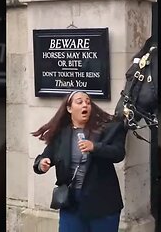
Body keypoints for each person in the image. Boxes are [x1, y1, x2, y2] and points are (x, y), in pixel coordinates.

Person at [32, 90, 127, 232]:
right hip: (71, 203)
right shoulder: (61, 135)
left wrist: (95, 147)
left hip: (102, 203)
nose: (85, 105)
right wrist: (42, 164)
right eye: (80, 102)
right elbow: (44, 157)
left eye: (88, 103)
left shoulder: (105, 130)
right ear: (69, 108)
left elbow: (118, 153)